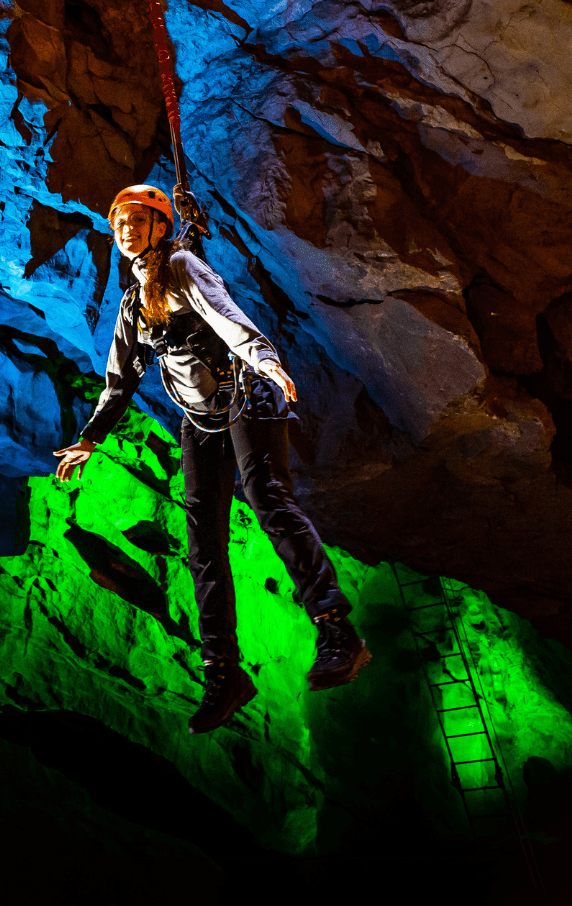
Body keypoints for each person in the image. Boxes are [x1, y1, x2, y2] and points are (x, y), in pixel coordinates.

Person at [54, 184, 371, 735]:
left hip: (249, 391)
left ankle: (337, 629)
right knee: (202, 540)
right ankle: (224, 671)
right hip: (199, 416)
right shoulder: (134, 302)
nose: (125, 230)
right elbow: (119, 378)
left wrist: (265, 358)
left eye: (136, 220)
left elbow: (224, 315)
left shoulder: (181, 265)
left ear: (159, 226)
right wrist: (90, 437)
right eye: (118, 223)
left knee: (268, 497)